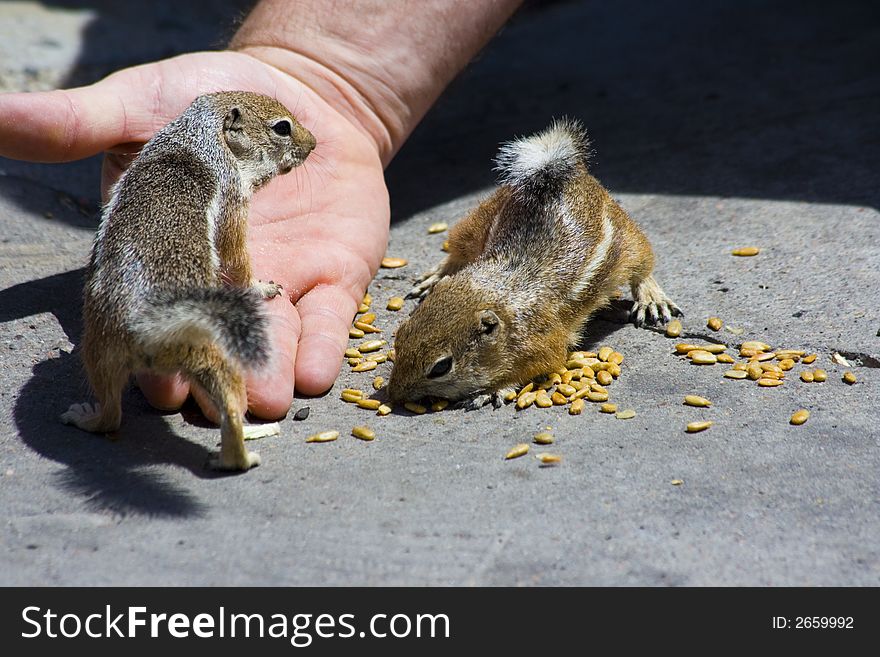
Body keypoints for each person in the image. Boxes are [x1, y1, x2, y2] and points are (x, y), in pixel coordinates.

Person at [0, 0, 523, 420]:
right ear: (232, 128)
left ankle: (109, 409)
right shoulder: (219, 174)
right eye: (279, 133)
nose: (300, 145)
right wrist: (322, 66)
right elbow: (229, 242)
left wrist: (341, 82)